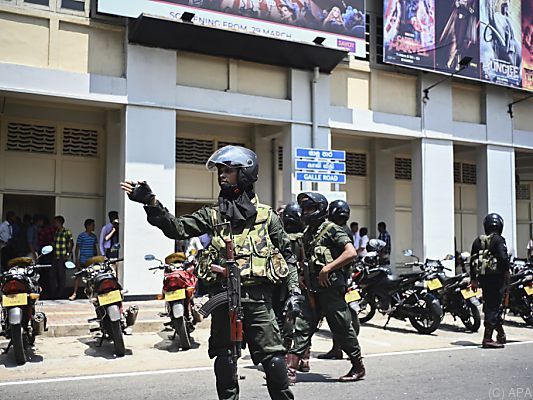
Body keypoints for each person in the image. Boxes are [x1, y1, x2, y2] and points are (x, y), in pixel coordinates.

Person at [121, 145, 297, 400]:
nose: (222, 176)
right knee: (224, 357)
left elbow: (288, 255)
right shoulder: (213, 215)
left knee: (272, 357)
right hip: (224, 299)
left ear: (245, 174)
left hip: (259, 300)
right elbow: (177, 228)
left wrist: (294, 291)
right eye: (220, 171)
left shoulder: (266, 216)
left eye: (228, 171)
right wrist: (151, 203)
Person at [286, 192, 364, 383]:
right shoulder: (307, 234)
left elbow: (351, 253)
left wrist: (328, 268)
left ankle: (358, 366)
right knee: (302, 326)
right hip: (313, 290)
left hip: (331, 289)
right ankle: (290, 371)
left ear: (320, 209)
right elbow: (306, 260)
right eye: (304, 209)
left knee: (342, 328)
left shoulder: (332, 229)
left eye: (310, 208)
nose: (306, 212)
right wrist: (303, 276)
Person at [318, 200, 360, 361]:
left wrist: (328, 268)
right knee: (337, 317)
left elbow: (349, 254)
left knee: (339, 317)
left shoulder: (338, 232)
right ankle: (337, 349)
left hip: (336, 278)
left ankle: (352, 354)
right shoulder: (344, 230)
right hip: (341, 276)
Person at [470, 213, 510, 349]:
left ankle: (501, 334)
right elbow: (504, 258)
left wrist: (473, 280)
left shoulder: (478, 241)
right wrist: (507, 272)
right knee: (493, 307)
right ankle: (487, 338)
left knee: (491, 306)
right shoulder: (499, 240)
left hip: (483, 279)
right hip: (496, 279)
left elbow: (472, 261)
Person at [280, 202, 308, 374]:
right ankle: (304, 359)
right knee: (304, 322)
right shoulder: (305, 237)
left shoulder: (282, 237)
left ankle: (287, 357)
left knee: (287, 320)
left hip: (286, 284)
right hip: (304, 284)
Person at [69, 219, 98, 301]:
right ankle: (74, 293)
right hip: (83, 259)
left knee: (92, 277)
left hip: (91, 260)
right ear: (88, 226)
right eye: (92, 225)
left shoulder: (94, 237)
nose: (94, 227)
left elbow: (94, 248)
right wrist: (77, 259)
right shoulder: (81, 236)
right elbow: (77, 248)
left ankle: (91, 294)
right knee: (78, 276)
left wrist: (96, 259)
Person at [51, 216, 74, 299]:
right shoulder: (56, 232)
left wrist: (68, 254)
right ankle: (53, 293)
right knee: (53, 275)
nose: (54, 224)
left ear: (60, 222)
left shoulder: (66, 232)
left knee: (61, 275)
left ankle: (61, 293)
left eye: (55, 222)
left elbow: (71, 243)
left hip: (62, 256)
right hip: (55, 256)